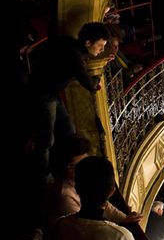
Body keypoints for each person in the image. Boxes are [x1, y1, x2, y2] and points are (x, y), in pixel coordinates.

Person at [29, 22, 110, 180]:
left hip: (50, 92)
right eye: (100, 46)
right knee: (46, 139)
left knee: (69, 129)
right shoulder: (75, 56)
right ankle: (44, 177)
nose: (101, 50)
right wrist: (98, 78)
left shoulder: (71, 45)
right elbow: (89, 85)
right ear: (88, 43)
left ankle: (65, 163)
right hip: (43, 94)